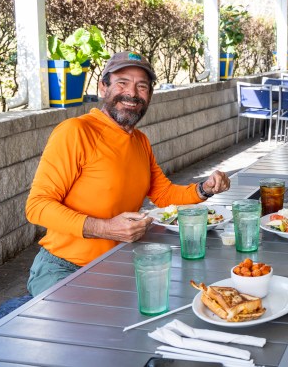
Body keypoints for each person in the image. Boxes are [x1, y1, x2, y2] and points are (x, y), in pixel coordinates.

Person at [25, 51, 231, 296]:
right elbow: (37, 206)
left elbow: (163, 194)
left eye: (141, 86)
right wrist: (105, 228)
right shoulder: (76, 132)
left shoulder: (140, 141)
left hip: (117, 262)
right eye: (122, 82)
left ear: (150, 95)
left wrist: (204, 189)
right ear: (104, 87)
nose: (132, 93)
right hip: (64, 268)